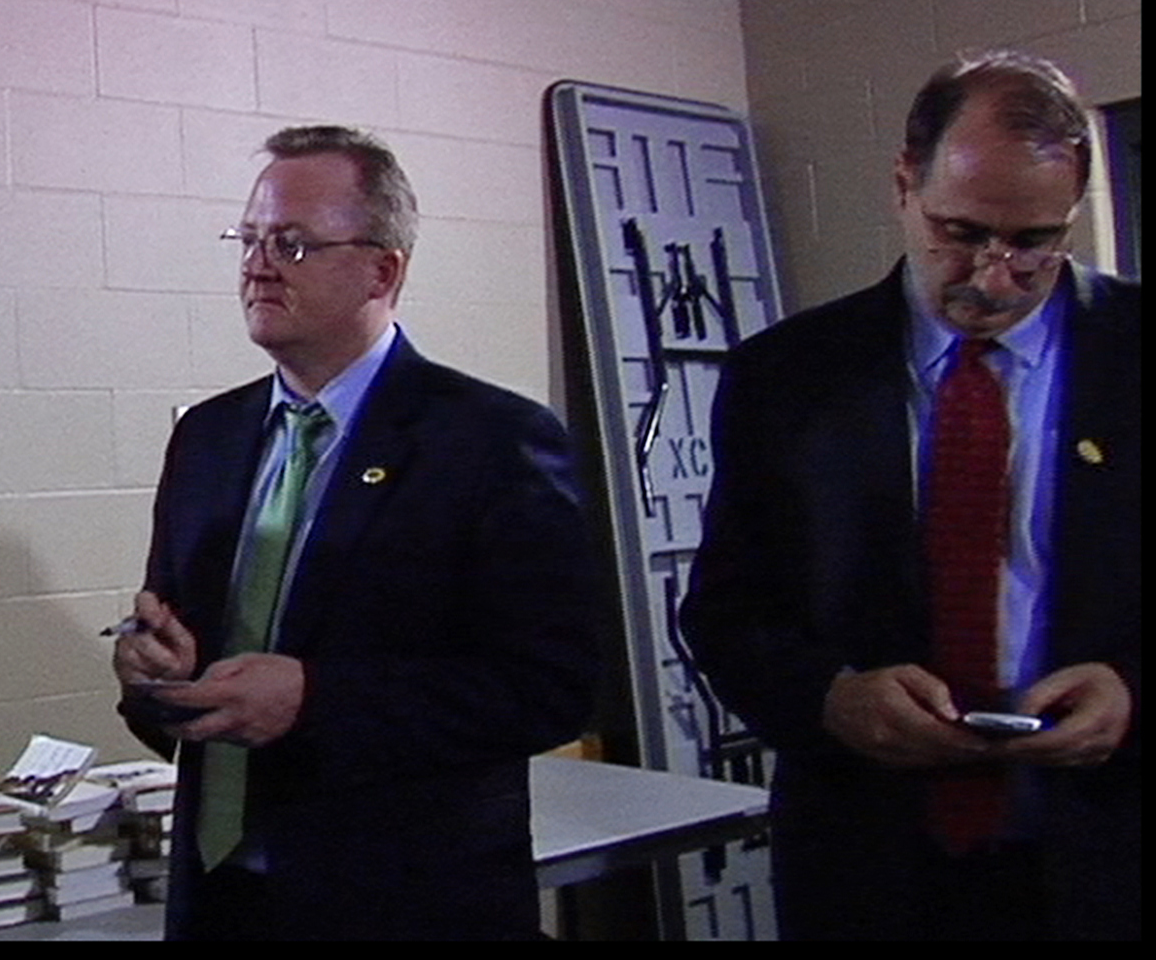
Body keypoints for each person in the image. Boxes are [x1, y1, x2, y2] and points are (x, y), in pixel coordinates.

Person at [681, 52, 1139, 940]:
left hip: (1113, 854)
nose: (994, 275)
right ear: (903, 183)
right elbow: (727, 612)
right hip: (871, 863)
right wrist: (830, 699)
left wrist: (1135, 693)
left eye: (1035, 242)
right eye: (960, 231)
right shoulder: (786, 377)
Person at [112, 125, 599, 940]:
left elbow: (551, 688)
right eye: (251, 239)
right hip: (219, 899)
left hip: (400, 902)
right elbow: (176, 652)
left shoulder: (491, 441)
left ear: (383, 268)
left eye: (293, 244)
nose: (258, 265)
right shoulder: (209, 435)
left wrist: (315, 698)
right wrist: (150, 670)